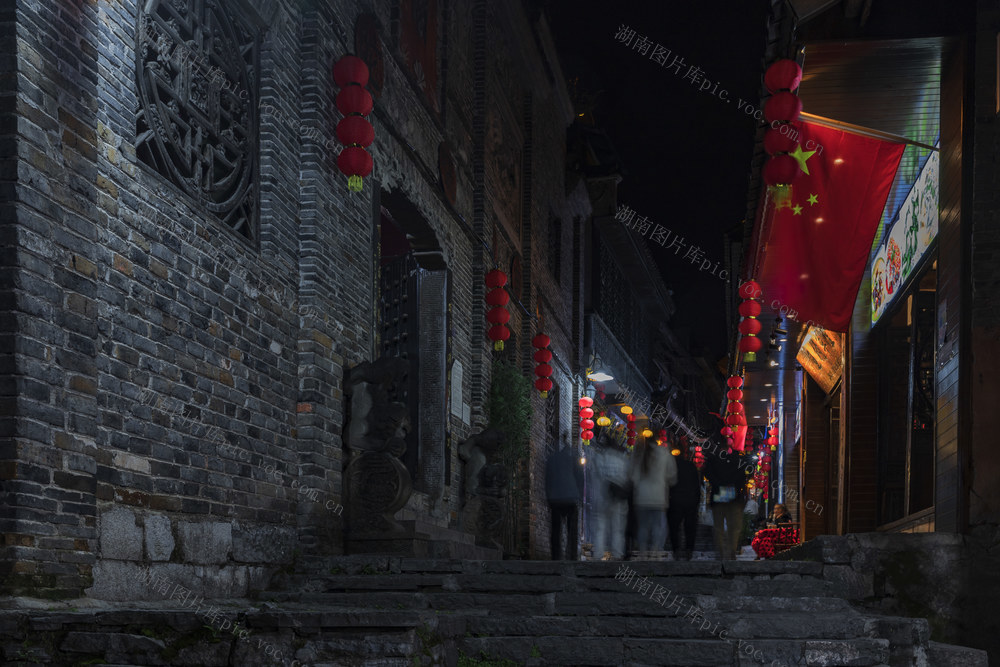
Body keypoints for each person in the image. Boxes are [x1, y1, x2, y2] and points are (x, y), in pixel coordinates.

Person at [702, 443, 750, 561]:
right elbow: (743, 476)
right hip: (734, 496)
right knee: (733, 527)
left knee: (719, 527)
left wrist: (717, 484)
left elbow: (706, 473)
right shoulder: (738, 460)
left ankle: (722, 552)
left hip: (718, 495)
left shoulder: (713, 459)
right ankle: (731, 551)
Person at [629, 439, 677, 557]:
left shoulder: (639, 455)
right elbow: (672, 476)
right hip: (658, 497)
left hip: (641, 497)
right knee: (658, 526)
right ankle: (656, 550)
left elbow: (633, 477)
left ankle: (643, 551)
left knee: (643, 527)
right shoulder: (664, 453)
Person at [589, 430, 629, 560]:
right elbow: (626, 478)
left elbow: (596, 476)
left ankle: (598, 554)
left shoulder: (600, 458)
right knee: (617, 529)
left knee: (600, 528)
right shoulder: (621, 458)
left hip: (603, 497)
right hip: (618, 499)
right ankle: (617, 554)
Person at [545, 436, 584, 560]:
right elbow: (580, 478)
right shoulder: (574, 458)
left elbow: (547, 480)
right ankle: (572, 555)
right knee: (571, 529)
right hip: (571, 497)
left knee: (555, 530)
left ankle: (556, 557)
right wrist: (580, 496)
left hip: (555, 498)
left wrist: (548, 496)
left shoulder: (551, 459)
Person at [667, 443, 701, 560]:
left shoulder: (671, 466)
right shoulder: (691, 466)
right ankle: (689, 549)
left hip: (675, 500)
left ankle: (676, 549)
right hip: (690, 500)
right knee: (690, 527)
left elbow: (669, 483)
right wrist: (697, 500)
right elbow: (697, 485)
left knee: (674, 527)